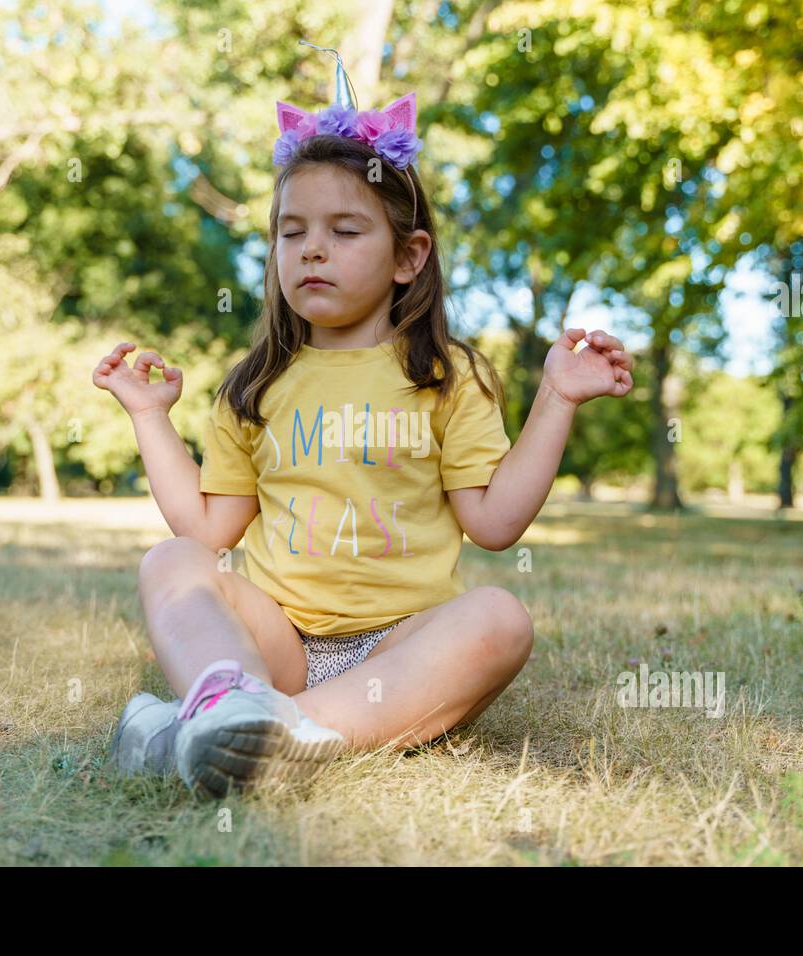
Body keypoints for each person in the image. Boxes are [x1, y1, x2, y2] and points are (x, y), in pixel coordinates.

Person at [92, 45, 634, 799]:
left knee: (501, 619)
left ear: (409, 256)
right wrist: (150, 416)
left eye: (346, 231)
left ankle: (233, 733)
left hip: (403, 649)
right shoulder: (255, 385)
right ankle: (237, 708)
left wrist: (558, 398)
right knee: (169, 565)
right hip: (277, 641)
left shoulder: (449, 376)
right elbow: (205, 531)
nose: (313, 247)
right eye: (292, 232)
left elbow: (495, 522)